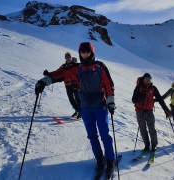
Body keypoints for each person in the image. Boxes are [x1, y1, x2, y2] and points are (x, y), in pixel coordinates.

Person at [35, 42, 116, 177]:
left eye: (87, 51)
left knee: (104, 135)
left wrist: (111, 102)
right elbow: (59, 75)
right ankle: (99, 159)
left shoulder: (99, 66)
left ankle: (110, 160)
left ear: (92, 52)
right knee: (92, 136)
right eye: (82, 51)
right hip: (86, 108)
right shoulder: (77, 68)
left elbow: (109, 84)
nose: (85, 54)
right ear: (79, 53)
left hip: (100, 107)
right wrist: (43, 82)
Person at [132, 73, 171, 153]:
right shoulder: (138, 87)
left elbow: (160, 99)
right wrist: (142, 96)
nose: (148, 81)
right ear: (143, 79)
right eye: (146, 79)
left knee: (152, 129)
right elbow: (134, 100)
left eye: (149, 79)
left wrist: (166, 110)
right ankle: (147, 145)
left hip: (149, 111)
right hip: (140, 111)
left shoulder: (153, 88)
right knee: (143, 129)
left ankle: (154, 145)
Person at [43, 52, 81, 119]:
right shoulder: (63, 66)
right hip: (67, 85)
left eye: (69, 57)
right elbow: (57, 72)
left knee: (77, 98)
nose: (68, 58)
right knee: (71, 99)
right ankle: (77, 110)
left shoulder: (75, 65)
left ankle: (80, 112)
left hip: (75, 84)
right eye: (67, 57)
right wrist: (48, 73)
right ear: (65, 58)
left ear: (71, 58)